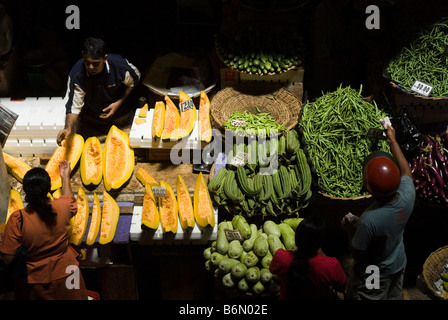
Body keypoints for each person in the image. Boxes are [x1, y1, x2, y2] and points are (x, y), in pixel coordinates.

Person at [341, 124, 415, 300]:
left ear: (369, 191)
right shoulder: (407, 195)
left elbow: (358, 253)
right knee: (394, 296)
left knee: (371, 296)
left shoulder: (369, 220)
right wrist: (392, 141)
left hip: (375, 271)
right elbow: (407, 171)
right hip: (398, 262)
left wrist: (350, 229)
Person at [0, 160, 88, 300]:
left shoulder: (18, 219)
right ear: (48, 189)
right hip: (70, 273)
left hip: (36, 281)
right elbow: (70, 199)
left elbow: (6, 259)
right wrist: (65, 177)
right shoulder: (62, 207)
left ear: (25, 190)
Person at [57, 37, 141, 145]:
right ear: (83, 55)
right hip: (93, 122)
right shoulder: (77, 74)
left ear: (105, 58)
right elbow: (74, 107)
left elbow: (134, 80)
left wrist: (118, 102)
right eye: (88, 62)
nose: (91, 67)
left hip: (121, 119)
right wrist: (68, 128)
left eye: (96, 63)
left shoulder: (120, 67)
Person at [270, 216, 347, 300]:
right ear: (320, 242)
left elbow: (272, 270)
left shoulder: (281, 256)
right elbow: (341, 287)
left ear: (295, 237)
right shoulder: (331, 265)